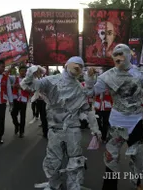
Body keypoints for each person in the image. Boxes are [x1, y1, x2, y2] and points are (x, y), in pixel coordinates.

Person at [84, 44, 143, 190]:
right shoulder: (107, 76)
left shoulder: (139, 74)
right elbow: (90, 93)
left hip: (136, 121)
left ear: (128, 55)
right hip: (116, 122)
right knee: (111, 158)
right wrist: (89, 80)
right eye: (115, 55)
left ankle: (137, 184)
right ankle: (109, 187)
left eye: (121, 54)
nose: (118, 58)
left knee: (138, 158)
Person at [20, 56, 101, 190]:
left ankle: (74, 185)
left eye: (81, 66)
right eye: (75, 64)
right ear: (66, 65)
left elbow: (87, 108)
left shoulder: (78, 88)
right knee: (53, 159)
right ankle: (53, 184)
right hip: (55, 129)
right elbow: (29, 85)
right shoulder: (51, 81)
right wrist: (32, 72)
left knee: (75, 159)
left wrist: (95, 129)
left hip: (73, 129)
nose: (78, 67)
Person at [11, 65, 30, 138]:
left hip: (23, 100)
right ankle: (17, 125)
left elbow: (30, 90)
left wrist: (22, 88)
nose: (23, 72)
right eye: (21, 71)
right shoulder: (15, 78)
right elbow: (11, 85)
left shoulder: (28, 80)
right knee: (13, 114)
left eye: (24, 71)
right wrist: (14, 86)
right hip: (16, 99)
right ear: (19, 72)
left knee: (22, 116)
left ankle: (21, 132)